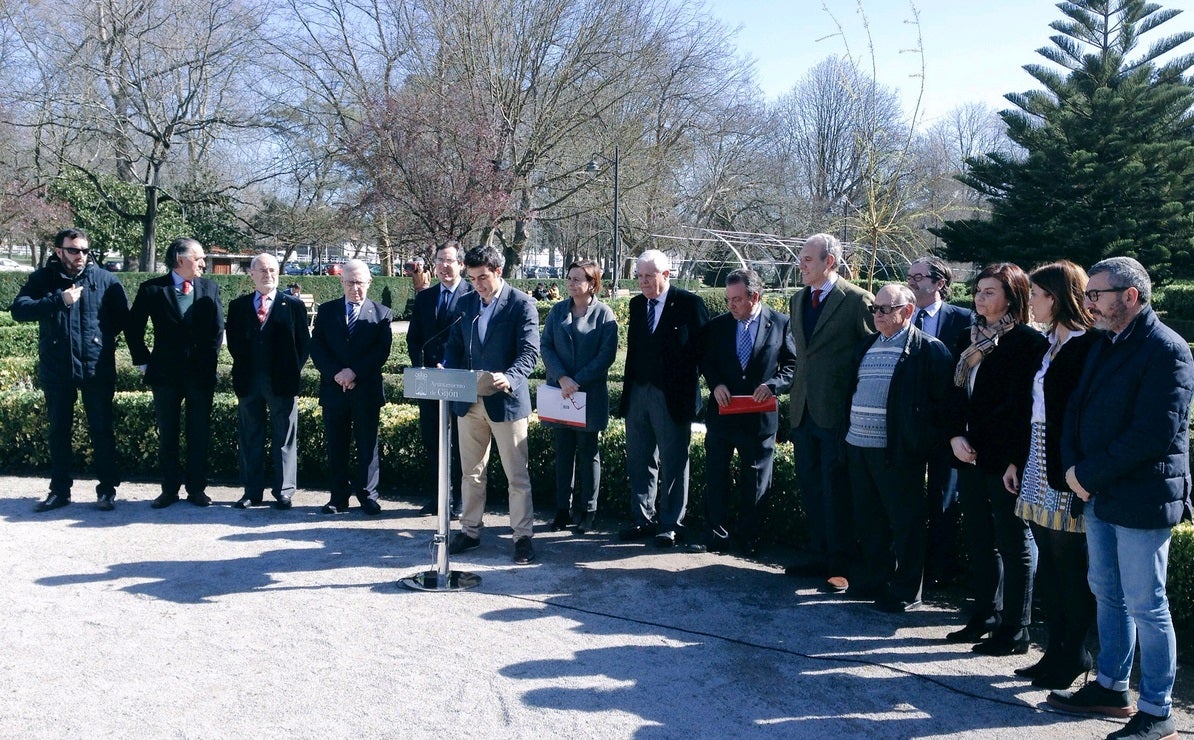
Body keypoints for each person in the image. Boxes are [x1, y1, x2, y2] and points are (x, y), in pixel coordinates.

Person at [1047, 257, 1193, 740]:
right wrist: (1072, 470)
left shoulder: (1167, 349)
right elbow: (1074, 410)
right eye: (1087, 295)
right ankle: (1112, 687)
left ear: (1129, 296)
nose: (1088, 303)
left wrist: (1086, 474)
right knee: (1106, 592)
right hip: (1098, 491)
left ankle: (1158, 710)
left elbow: (1152, 434)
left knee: (1146, 603)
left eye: (1096, 295)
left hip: (1142, 497)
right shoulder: (1104, 343)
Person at [997, 261, 1098, 688]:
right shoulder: (1047, 344)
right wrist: (1017, 460)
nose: (1031, 303)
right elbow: (1030, 411)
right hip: (1036, 459)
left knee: (1068, 567)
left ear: (1054, 298)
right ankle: (1054, 650)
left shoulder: (1086, 346)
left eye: (1036, 295)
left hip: (1064, 467)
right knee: (1052, 570)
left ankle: (1074, 653)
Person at [945, 263, 1048, 654]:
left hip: (1005, 459)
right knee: (979, 537)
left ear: (1012, 296)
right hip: (968, 454)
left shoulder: (1027, 342)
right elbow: (952, 396)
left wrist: (1014, 461)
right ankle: (984, 614)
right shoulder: (966, 337)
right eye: (979, 290)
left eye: (990, 291)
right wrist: (954, 436)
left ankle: (1015, 627)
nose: (980, 298)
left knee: (1013, 539)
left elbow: (1024, 409)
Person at [844, 284, 952, 612]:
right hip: (858, 445)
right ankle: (875, 579)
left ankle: (907, 590)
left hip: (897, 451)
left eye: (884, 309)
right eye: (874, 309)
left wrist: (918, 443)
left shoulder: (928, 350)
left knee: (905, 522)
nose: (876, 315)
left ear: (907, 311)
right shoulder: (866, 346)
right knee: (869, 518)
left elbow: (942, 405)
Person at [12, 228, 129, 512]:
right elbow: (19, 309)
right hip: (57, 367)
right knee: (58, 430)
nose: (80, 256)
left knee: (102, 429)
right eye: (74, 250)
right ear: (59, 251)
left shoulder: (104, 279)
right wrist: (57, 301)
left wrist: (101, 343)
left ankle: (107, 490)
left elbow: (123, 320)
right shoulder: (43, 279)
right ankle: (59, 491)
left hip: (95, 367)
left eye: (85, 251)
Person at [785, 233, 874, 593]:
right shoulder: (797, 299)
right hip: (803, 410)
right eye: (801, 259)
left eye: (808, 259)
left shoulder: (856, 300)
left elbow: (868, 356)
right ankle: (819, 554)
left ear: (829, 262)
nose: (801, 265)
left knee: (837, 490)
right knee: (810, 485)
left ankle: (842, 564)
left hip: (838, 413)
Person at [442, 245, 540, 564]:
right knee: (471, 472)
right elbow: (454, 345)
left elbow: (529, 352)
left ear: (498, 271)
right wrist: (449, 368)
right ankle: (469, 531)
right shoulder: (465, 303)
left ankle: (522, 536)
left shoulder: (522, 304)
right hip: (469, 401)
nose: (478, 285)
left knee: (516, 475)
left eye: (482, 277)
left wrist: (510, 377)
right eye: (471, 279)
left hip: (506, 401)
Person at [697, 269, 796, 554]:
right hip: (724, 414)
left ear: (755, 297)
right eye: (729, 299)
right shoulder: (718, 326)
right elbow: (707, 362)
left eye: (738, 299)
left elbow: (792, 366)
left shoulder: (780, 324)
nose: (731, 305)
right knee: (716, 475)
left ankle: (748, 537)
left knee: (755, 479)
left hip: (759, 418)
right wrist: (715, 385)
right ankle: (715, 533)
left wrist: (773, 384)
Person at [618, 249, 709, 548]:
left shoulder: (689, 304)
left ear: (666, 275)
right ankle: (642, 517)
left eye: (648, 276)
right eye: (639, 276)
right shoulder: (635, 305)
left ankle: (670, 523)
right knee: (639, 459)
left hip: (672, 398)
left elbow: (702, 354)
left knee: (673, 462)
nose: (642, 282)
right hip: (638, 394)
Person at [127, 237, 224, 508]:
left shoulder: (209, 288)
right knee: (167, 433)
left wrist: (209, 361)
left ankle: (196, 489)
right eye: (199, 258)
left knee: (199, 432)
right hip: (165, 374)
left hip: (200, 375)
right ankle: (169, 490)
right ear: (180, 260)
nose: (204, 263)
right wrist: (143, 362)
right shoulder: (152, 289)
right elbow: (133, 329)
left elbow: (217, 330)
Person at [225, 253, 310, 510]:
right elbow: (234, 343)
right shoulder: (238, 306)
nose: (268, 275)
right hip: (249, 382)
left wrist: (290, 371)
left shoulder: (292, 305)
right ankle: (252, 491)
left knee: (284, 438)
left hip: (282, 383)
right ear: (251, 274)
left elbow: (303, 345)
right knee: (250, 436)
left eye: (272, 270)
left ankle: (284, 491)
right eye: (262, 270)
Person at [906, 256, 972, 588]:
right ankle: (908, 564)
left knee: (944, 498)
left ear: (939, 283)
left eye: (918, 276)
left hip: (946, 425)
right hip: (909, 423)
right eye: (909, 276)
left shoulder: (963, 320)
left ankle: (939, 570)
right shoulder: (902, 316)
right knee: (907, 497)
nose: (912, 282)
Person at [309, 259, 393, 515]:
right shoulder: (327, 311)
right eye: (350, 282)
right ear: (341, 282)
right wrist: (337, 374)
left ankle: (368, 495)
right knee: (336, 444)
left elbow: (381, 352)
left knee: (367, 445)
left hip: (365, 388)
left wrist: (354, 371)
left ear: (369, 282)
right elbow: (317, 347)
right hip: (335, 389)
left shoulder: (382, 313)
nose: (355, 288)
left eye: (360, 282)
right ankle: (338, 497)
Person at [540, 259, 618, 534]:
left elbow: (605, 356)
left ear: (592, 283)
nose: (571, 283)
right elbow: (546, 345)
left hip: (589, 395)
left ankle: (588, 509)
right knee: (563, 453)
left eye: (577, 279)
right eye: (569, 278)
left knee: (588, 452)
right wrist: (562, 377)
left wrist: (578, 380)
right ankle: (562, 508)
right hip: (561, 393)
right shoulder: (557, 311)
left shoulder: (604, 315)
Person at [406, 241, 475, 519]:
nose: (444, 266)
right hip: (430, 381)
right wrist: (423, 368)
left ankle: (459, 499)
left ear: (461, 264)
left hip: (459, 379)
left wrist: (450, 366)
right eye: (439, 261)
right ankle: (438, 496)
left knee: (460, 444)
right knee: (432, 440)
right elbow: (414, 339)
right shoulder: (424, 297)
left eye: (449, 261)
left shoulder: (472, 295)